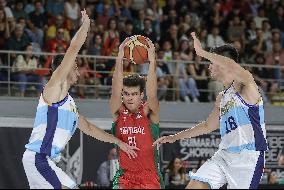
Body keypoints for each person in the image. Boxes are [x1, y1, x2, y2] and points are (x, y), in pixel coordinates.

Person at [22, 10, 137, 189]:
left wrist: (119, 142)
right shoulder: (53, 89)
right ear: (63, 68)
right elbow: (73, 48)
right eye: (74, 66)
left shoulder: (70, 104)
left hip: (46, 161)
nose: (78, 70)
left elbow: (89, 128)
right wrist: (86, 25)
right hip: (39, 159)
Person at [154, 32, 268, 189]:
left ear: (224, 63)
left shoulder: (246, 85)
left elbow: (233, 67)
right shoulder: (221, 97)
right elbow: (207, 126)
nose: (209, 65)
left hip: (248, 158)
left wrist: (201, 52)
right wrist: (174, 137)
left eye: (212, 61)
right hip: (224, 155)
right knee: (194, 186)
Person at [110, 37, 165, 189]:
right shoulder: (118, 112)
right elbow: (115, 93)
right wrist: (120, 58)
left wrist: (152, 61)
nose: (129, 98)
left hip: (150, 176)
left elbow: (153, 95)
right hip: (125, 177)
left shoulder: (149, 111)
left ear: (141, 95)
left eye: (134, 94)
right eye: (126, 94)